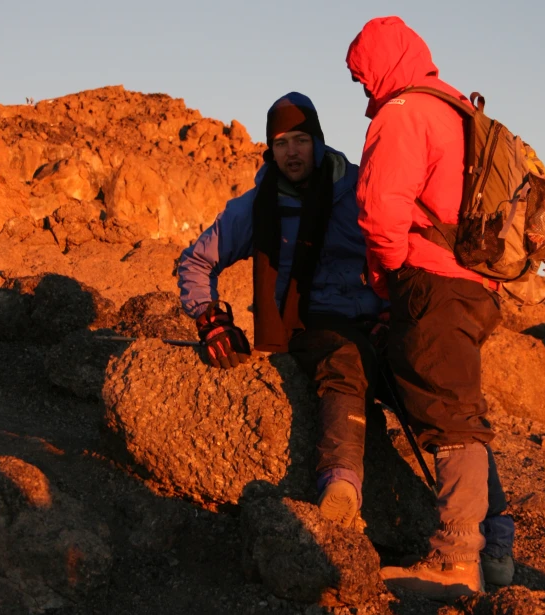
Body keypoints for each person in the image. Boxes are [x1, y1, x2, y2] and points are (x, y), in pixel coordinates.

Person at [346, 16, 515, 599]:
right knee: (462, 410)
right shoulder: (455, 110)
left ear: (380, 62)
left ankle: (454, 560)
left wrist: (390, 277)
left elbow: (380, 212)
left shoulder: (403, 112)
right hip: (478, 287)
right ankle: (494, 553)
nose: (362, 85)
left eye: (360, 72)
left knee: (450, 417)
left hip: (434, 283)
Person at [178, 92, 386, 527]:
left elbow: (396, 251)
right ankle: (340, 483)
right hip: (310, 324)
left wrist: (393, 310)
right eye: (281, 142)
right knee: (342, 361)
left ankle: (489, 530)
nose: (291, 152)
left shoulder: (359, 191)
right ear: (270, 149)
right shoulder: (258, 205)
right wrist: (210, 319)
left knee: (439, 389)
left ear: (319, 141)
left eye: (301, 140)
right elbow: (196, 261)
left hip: (376, 318)